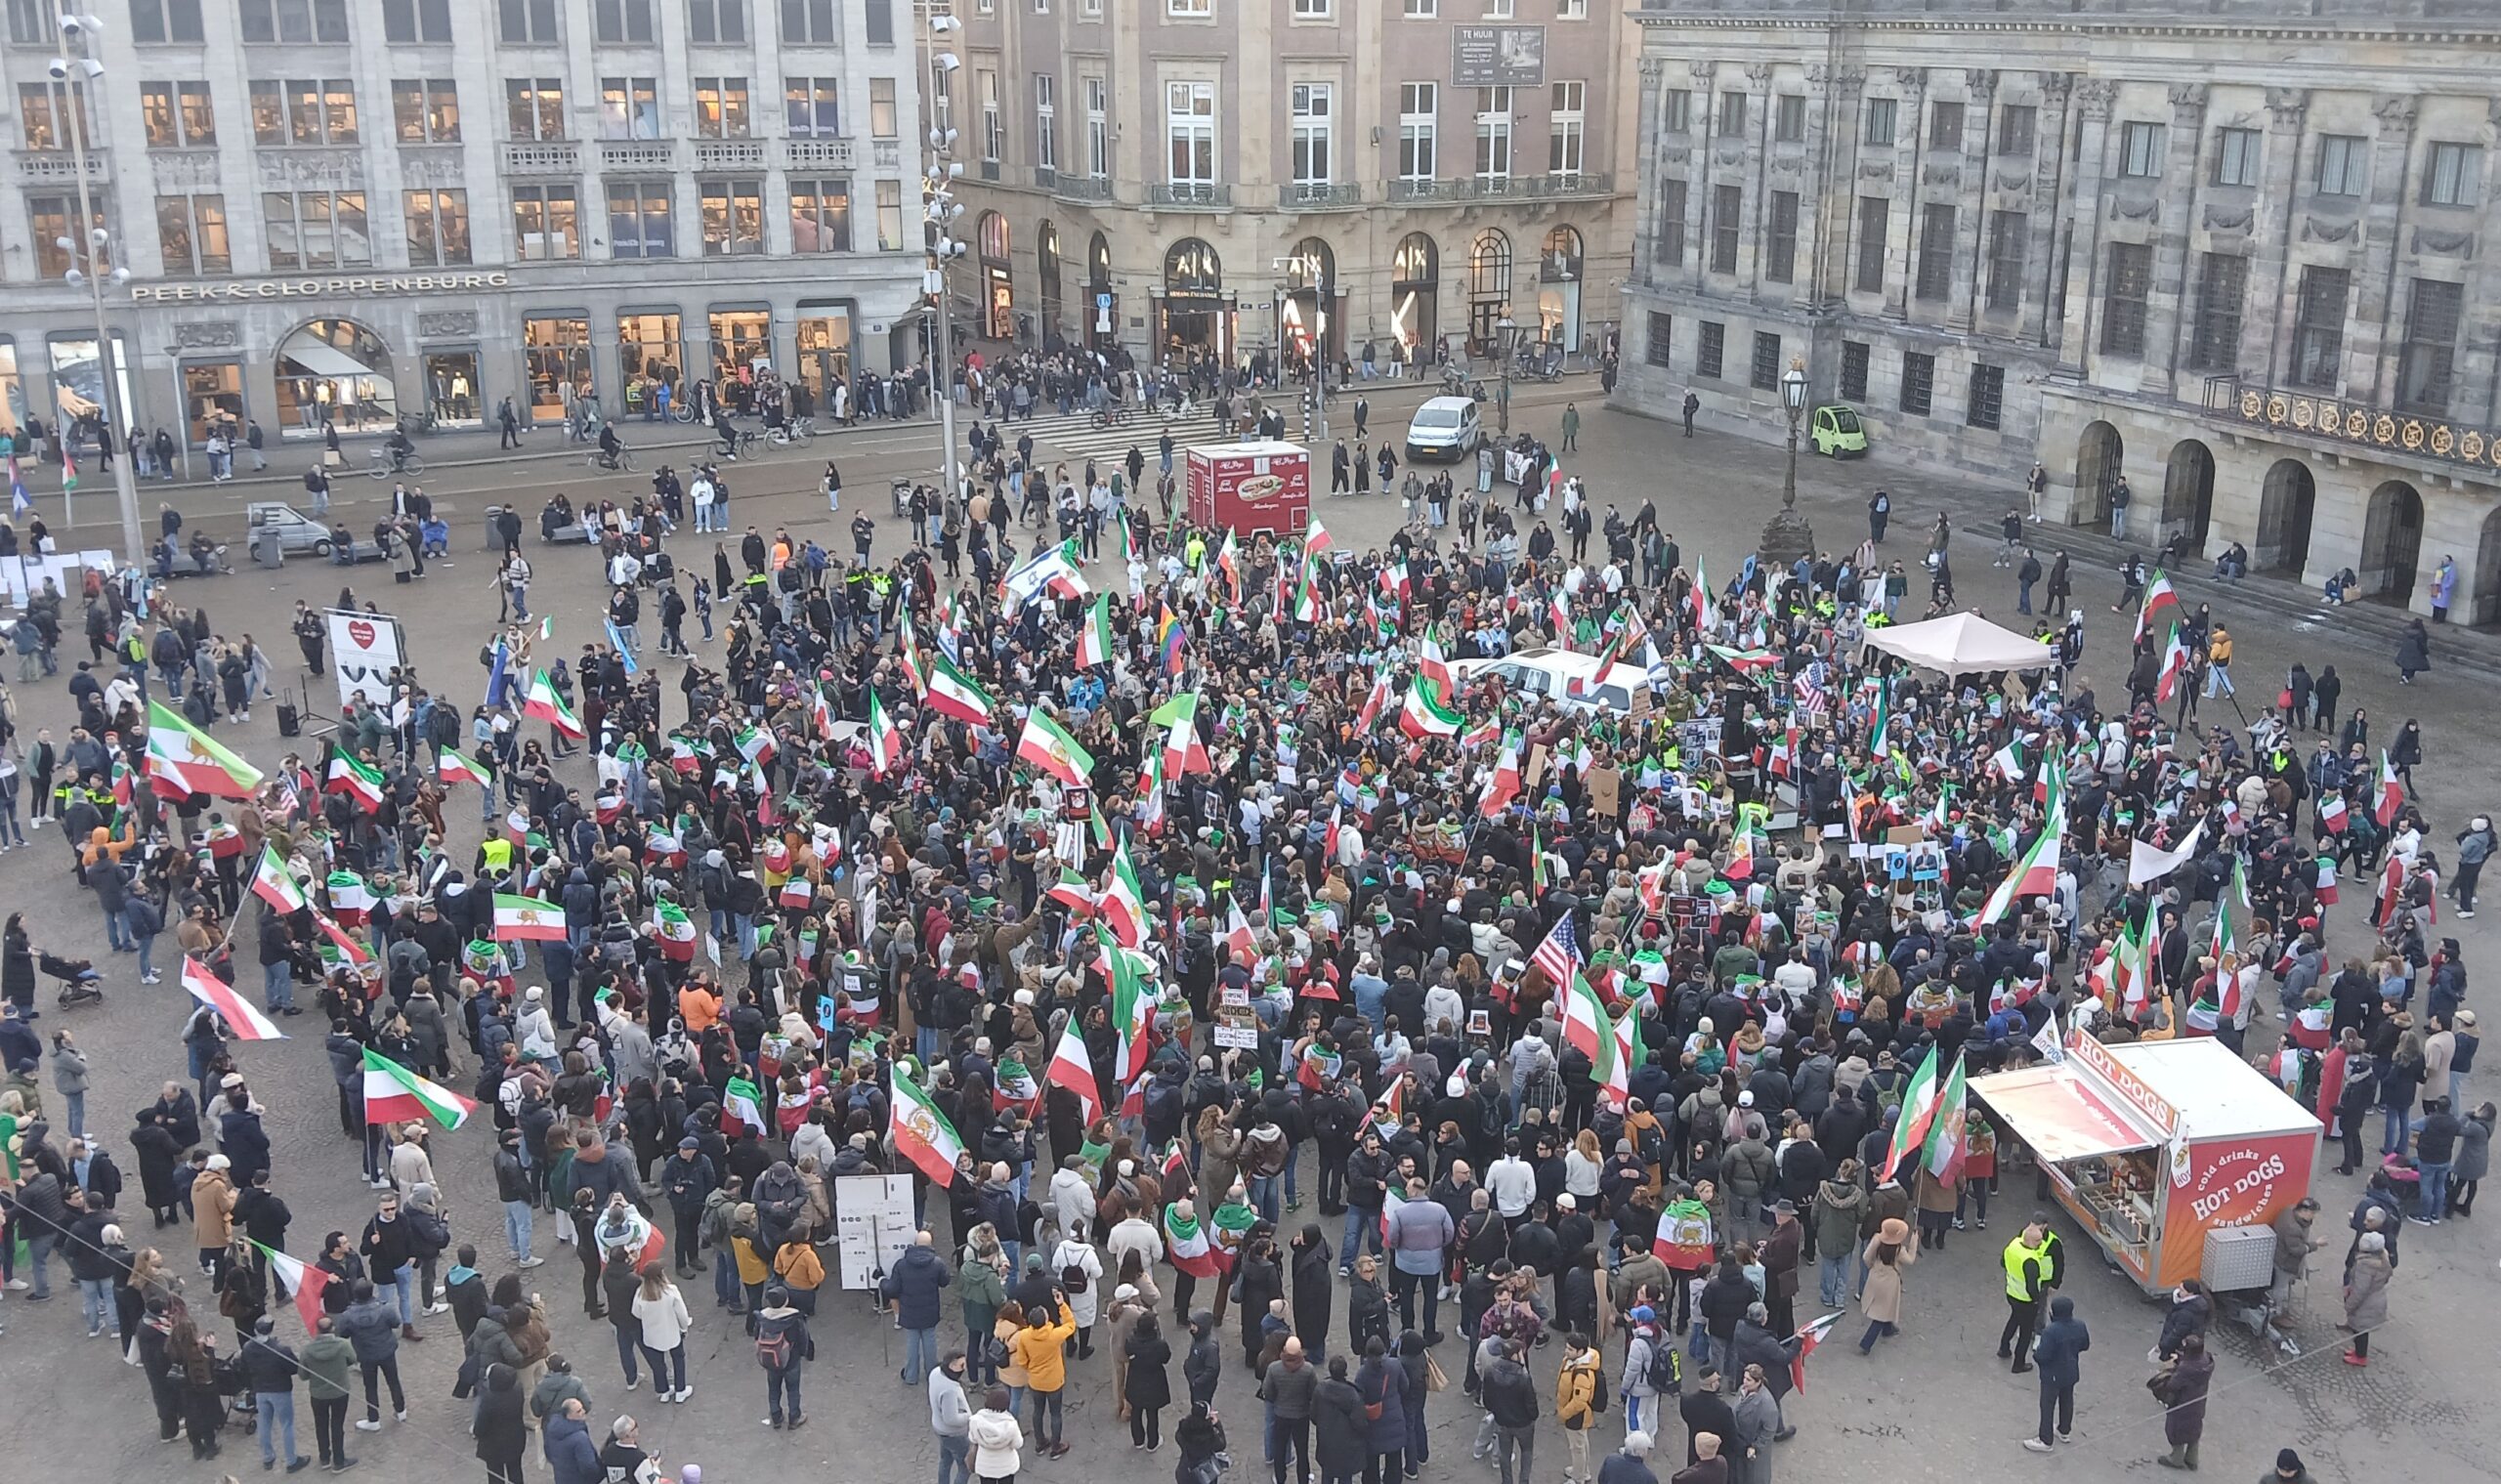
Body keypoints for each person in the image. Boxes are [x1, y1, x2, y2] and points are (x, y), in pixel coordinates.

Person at [2020, 1295, 2089, 1453]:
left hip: (2052, 1374)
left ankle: (2045, 1439)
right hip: (2071, 1371)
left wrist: (2036, 1355)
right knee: (2067, 1401)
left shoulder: (2051, 1331)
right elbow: (2085, 1345)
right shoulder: (2080, 1325)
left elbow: (2043, 1355)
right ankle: (2064, 1431)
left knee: (2047, 1405)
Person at [1998, 1214, 2062, 1372]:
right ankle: (2018, 1364)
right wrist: (2035, 1300)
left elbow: (2002, 1262)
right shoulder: (2030, 1260)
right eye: (2038, 1242)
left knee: (2013, 1320)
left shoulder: (2014, 1245)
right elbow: (2032, 1287)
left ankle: (2004, 1348)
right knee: (2026, 1333)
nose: (2041, 1245)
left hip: (2011, 1292)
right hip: (2025, 1299)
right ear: (2032, 1242)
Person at [2149, 1332, 2213, 1470]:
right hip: (2198, 1403)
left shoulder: (2186, 1369)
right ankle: (2192, 1459)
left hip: (2182, 1404)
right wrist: (2180, 1358)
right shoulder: (2206, 1360)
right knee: (2194, 1430)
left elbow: (2173, 1385)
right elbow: (2193, 1360)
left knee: (2177, 1429)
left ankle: (2176, 1458)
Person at [2341, 1230, 2390, 1366]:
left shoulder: (2366, 1265)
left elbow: (2360, 1290)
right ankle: (2358, 1352)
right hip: (2375, 1300)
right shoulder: (2382, 1259)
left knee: (2360, 1330)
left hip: (2366, 1305)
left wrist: (2349, 1305)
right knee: (2360, 1329)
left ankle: (2360, 1357)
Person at [930, 1348, 973, 1484]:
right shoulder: (950, 1390)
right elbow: (951, 1419)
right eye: (961, 1365)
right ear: (952, 1366)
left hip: (939, 1429)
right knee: (965, 1467)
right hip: (954, 1434)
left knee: (945, 1460)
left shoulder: (936, 1373)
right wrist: (969, 1416)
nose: (964, 1369)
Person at [968, 1385, 1025, 1484]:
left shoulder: (976, 1420)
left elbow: (973, 1439)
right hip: (1006, 1466)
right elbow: (1018, 1444)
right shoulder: (1011, 1424)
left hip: (985, 1466)